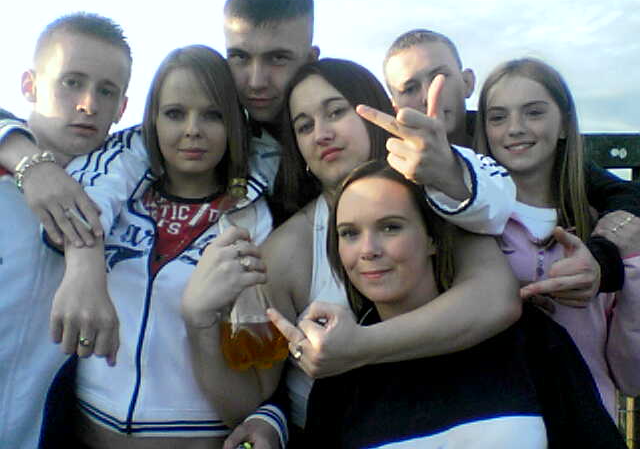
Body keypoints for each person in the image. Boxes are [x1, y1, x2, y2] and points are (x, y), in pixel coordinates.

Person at [217, 58, 522, 449]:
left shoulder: (438, 200)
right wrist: (269, 416)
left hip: (474, 420)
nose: (321, 134)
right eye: (304, 126)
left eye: (336, 112)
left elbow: (496, 299)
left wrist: (358, 348)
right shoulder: (286, 250)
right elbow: (266, 382)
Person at [301, 160, 626, 448]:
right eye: (349, 233)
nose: (368, 250)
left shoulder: (528, 339)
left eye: (390, 227)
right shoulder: (340, 370)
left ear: (432, 238)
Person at [41, 45, 273, 449]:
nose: (193, 130)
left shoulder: (259, 219)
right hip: (81, 434)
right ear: (152, 119)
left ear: (235, 122)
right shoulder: (112, 192)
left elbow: (263, 375)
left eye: (213, 115)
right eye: (175, 113)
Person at [381, 28, 640, 300]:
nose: (427, 95)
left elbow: (619, 191)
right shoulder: (390, 168)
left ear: (467, 82)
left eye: (439, 78)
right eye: (409, 88)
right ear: (394, 105)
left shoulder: (512, 146)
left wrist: (602, 258)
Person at [473, 57, 640, 419]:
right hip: (498, 424)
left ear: (564, 123)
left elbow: (633, 377)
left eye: (534, 112)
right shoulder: (472, 225)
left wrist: (630, 264)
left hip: (588, 424)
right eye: (498, 117)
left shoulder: (607, 226)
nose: (514, 128)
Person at [0, 12, 131, 449]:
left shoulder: (126, 202)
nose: (88, 104)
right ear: (30, 85)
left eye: (106, 91)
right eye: (71, 82)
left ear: (122, 108)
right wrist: (25, 158)